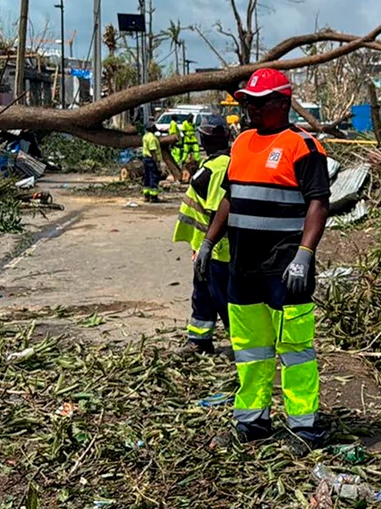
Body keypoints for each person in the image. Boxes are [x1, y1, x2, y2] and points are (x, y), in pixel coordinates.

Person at [200, 68, 331, 447]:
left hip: (284, 268)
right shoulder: (241, 144)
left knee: (295, 350)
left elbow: (318, 204)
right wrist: (209, 242)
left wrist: (305, 255)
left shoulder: (302, 146)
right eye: (247, 103)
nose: (251, 110)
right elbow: (229, 199)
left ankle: (305, 426)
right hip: (244, 269)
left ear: (283, 103)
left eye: (259, 103)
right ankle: (253, 421)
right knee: (251, 351)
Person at [174, 116, 233, 354]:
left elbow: (217, 211)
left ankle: (243, 345)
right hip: (206, 248)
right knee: (203, 295)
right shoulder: (214, 165)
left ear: (203, 139)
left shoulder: (219, 168)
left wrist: (207, 246)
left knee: (223, 299)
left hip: (218, 251)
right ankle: (199, 340)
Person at [140, 126, 162, 203]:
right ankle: (154, 196)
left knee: (147, 176)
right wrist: (157, 163)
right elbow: (153, 151)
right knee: (154, 177)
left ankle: (146, 195)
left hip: (145, 158)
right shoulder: (152, 138)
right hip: (151, 159)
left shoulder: (145, 136)